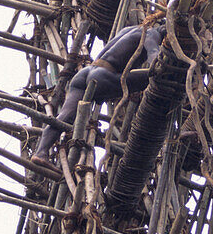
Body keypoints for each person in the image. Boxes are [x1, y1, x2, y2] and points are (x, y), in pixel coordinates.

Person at [31, 19, 167, 165]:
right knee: (160, 75)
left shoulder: (129, 30)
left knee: (64, 116)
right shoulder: (152, 34)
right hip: (104, 76)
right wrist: (164, 68)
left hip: (85, 73)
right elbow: (154, 56)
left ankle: (41, 152)